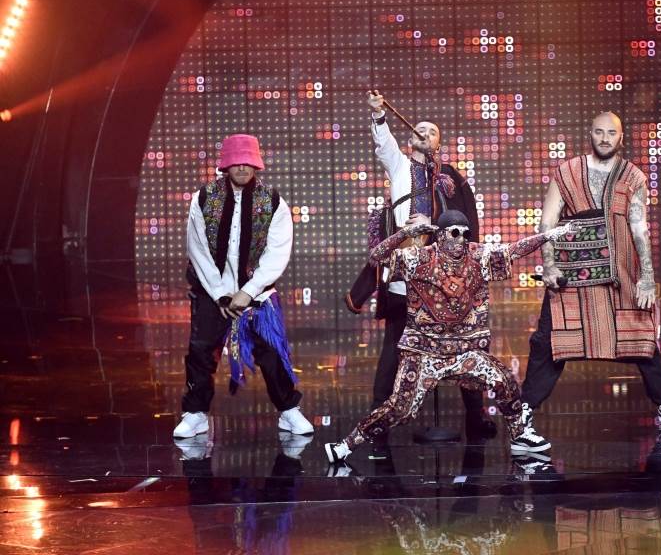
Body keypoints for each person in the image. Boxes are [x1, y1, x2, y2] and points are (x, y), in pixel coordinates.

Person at [325, 211, 579, 465]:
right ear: (440, 235)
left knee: (504, 381)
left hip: (464, 352)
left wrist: (550, 235)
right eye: (455, 233)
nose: (461, 240)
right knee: (400, 409)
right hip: (424, 353)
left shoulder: (478, 256)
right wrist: (405, 234)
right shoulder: (418, 258)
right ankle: (345, 445)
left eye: (465, 234)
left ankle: (519, 436)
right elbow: (377, 257)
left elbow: (515, 249)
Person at [517, 112, 661, 447]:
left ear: (621, 137)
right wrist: (549, 266)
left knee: (639, 332)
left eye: (611, 133)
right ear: (590, 134)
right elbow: (547, 222)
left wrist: (647, 277)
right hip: (571, 275)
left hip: (619, 272)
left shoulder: (632, 176)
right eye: (599, 132)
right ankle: (523, 413)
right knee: (549, 341)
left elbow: (639, 227)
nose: (605, 138)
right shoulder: (567, 172)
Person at [346, 90, 494, 446]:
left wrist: (435, 226)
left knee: (463, 345)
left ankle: (476, 417)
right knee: (395, 346)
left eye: (432, 131)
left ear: (438, 144)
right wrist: (379, 115)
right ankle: (378, 417)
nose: (424, 133)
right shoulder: (399, 165)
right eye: (420, 129)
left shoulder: (452, 179)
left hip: (447, 278)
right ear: (410, 138)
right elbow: (384, 145)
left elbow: (465, 224)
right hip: (408, 275)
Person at [173, 134, 313, 439]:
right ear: (226, 165)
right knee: (201, 351)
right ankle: (196, 414)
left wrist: (247, 292)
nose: (242, 168)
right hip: (212, 291)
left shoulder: (272, 201)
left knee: (272, 353)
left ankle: (289, 410)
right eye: (236, 162)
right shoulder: (204, 198)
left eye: (248, 162)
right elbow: (197, 249)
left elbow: (277, 252)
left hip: (257, 292)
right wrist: (221, 294)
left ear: (256, 164)